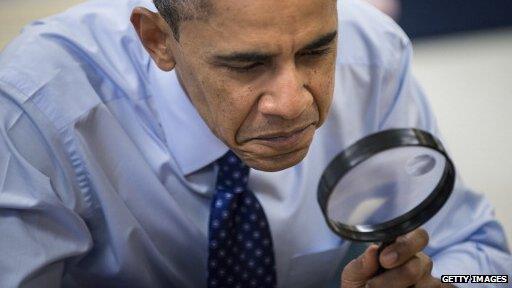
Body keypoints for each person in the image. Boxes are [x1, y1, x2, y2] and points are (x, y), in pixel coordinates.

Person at [0, 0, 510, 287]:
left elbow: (488, 262)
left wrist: (444, 285)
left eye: (317, 50)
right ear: (157, 41)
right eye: (246, 64)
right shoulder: (38, 105)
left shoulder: (373, 54)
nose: (292, 103)